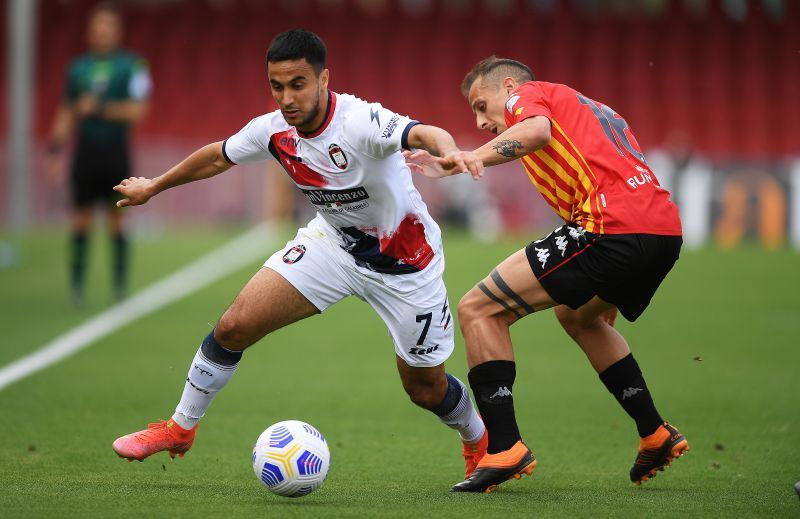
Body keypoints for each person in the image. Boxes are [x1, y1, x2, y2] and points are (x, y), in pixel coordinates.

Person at [110, 29, 488, 481]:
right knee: (234, 325)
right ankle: (180, 428)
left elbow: (423, 132)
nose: (286, 98)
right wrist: (154, 186)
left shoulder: (359, 121)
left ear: (324, 79)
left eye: (297, 84)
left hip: (406, 263)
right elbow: (216, 157)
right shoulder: (271, 130)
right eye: (276, 85)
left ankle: (479, 442)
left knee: (425, 389)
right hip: (333, 247)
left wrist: (448, 151)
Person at [406, 56, 689, 492]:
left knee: (479, 308)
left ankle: (505, 448)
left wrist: (467, 159)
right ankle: (654, 432)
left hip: (610, 226)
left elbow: (536, 131)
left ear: (507, 86)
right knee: (577, 316)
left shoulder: (527, 96)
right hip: (662, 230)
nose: (481, 121)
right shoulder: (589, 106)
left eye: (482, 105)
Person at [45, 3, 152, 305]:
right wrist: (54, 149)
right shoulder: (77, 69)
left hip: (115, 153)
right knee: (80, 221)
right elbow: (67, 109)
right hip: (86, 153)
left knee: (117, 220)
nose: (103, 31)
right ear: (90, 31)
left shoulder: (132, 66)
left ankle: (119, 289)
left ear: (117, 31)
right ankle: (76, 289)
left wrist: (100, 108)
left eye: (108, 25)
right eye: (98, 26)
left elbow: (138, 110)